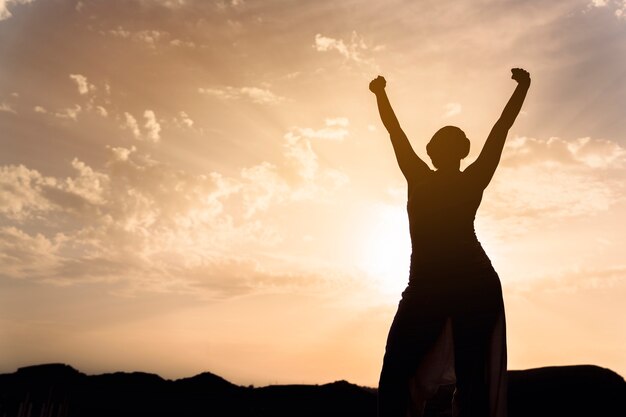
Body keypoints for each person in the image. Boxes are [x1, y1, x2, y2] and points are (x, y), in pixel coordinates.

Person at [369, 68, 531, 417]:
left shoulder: (469, 179)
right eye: (441, 144)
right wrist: (380, 94)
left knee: (472, 379)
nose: (445, 149)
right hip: (425, 285)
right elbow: (394, 131)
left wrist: (522, 90)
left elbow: (500, 130)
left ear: (461, 153)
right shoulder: (419, 175)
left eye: (452, 144)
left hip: (473, 284)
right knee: (396, 368)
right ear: (431, 152)